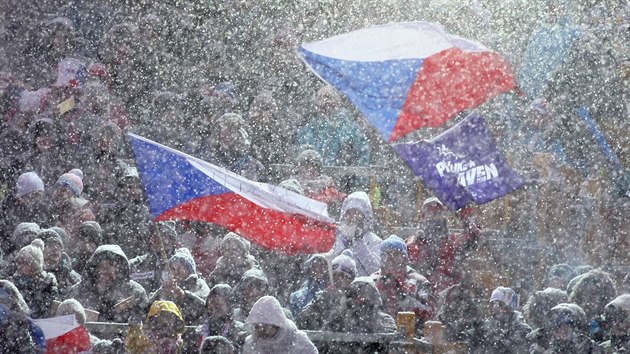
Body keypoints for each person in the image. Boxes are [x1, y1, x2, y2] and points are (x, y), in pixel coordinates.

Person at [405, 197, 481, 293]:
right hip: (421, 296)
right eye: (430, 213)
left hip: (449, 297)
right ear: (422, 217)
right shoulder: (412, 243)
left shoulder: (453, 241)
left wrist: (464, 211)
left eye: (438, 213)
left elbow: (473, 237)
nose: (435, 217)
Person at [70, 244, 149, 323]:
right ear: (95, 267)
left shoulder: (134, 292)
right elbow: (64, 322)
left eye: (114, 265)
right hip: (85, 334)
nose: (109, 269)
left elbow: (146, 321)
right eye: (104, 266)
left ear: (120, 269)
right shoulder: (77, 292)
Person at [372, 235, 435, 333]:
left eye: (396, 254)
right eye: (387, 254)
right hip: (377, 336)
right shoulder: (373, 280)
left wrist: (407, 301)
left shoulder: (419, 281)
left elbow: (430, 311)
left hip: (412, 335)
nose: (391, 257)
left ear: (404, 257)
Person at [149, 248, 208, 325]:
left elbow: (204, 307)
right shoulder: (167, 286)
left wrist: (183, 296)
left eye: (181, 268)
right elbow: (152, 305)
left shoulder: (199, 284)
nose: (176, 272)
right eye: (173, 269)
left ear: (189, 270)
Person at [297, 253, 357, 330]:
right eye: (334, 275)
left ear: (351, 279)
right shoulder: (322, 296)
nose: (337, 279)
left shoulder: (357, 299)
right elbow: (302, 320)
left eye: (342, 275)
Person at [331, 191, 382, 276]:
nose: (351, 218)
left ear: (365, 216)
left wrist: (359, 242)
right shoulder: (335, 237)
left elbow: (375, 271)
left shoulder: (375, 241)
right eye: (348, 213)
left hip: (361, 287)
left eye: (356, 213)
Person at [242, 296, 318, 354]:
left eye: (265, 326)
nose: (261, 330)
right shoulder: (251, 344)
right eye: (257, 327)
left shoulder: (299, 340)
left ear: (276, 324)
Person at [471, 286, 531, 354]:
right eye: (493, 304)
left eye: (500, 304)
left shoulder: (521, 328)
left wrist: (496, 341)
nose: (495, 308)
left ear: (509, 307)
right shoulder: (487, 325)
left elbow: (515, 348)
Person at [10, 239, 59, 318]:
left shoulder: (47, 285)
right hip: (17, 325)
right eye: (18, 262)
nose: (20, 266)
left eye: (25, 263)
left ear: (35, 266)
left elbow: (51, 310)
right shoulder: (11, 284)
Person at [531, 303, 602, 354]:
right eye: (558, 324)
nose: (562, 328)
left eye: (568, 324)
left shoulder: (589, 347)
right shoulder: (543, 346)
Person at [129, 221, 178, 294]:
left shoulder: (182, 265)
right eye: (152, 235)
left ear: (170, 240)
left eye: (158, 235)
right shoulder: (137, 264)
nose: (152, 240)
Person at [195, 284, 245, 351]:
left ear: (229, 305)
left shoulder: (239, 331)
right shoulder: (199, 331)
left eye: (218, 304)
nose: (214, 307)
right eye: (211, 302)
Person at [0, 279, 45, 353]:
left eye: (3, 301)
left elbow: (37, 349)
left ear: (13, 302)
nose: (1, 306)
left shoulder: (27, 325)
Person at [39, 228, 81, 296]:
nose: (55, 249)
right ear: (40, 249)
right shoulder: (35, 276)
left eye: (58, 245)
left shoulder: (71, 276)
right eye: (49, 245)